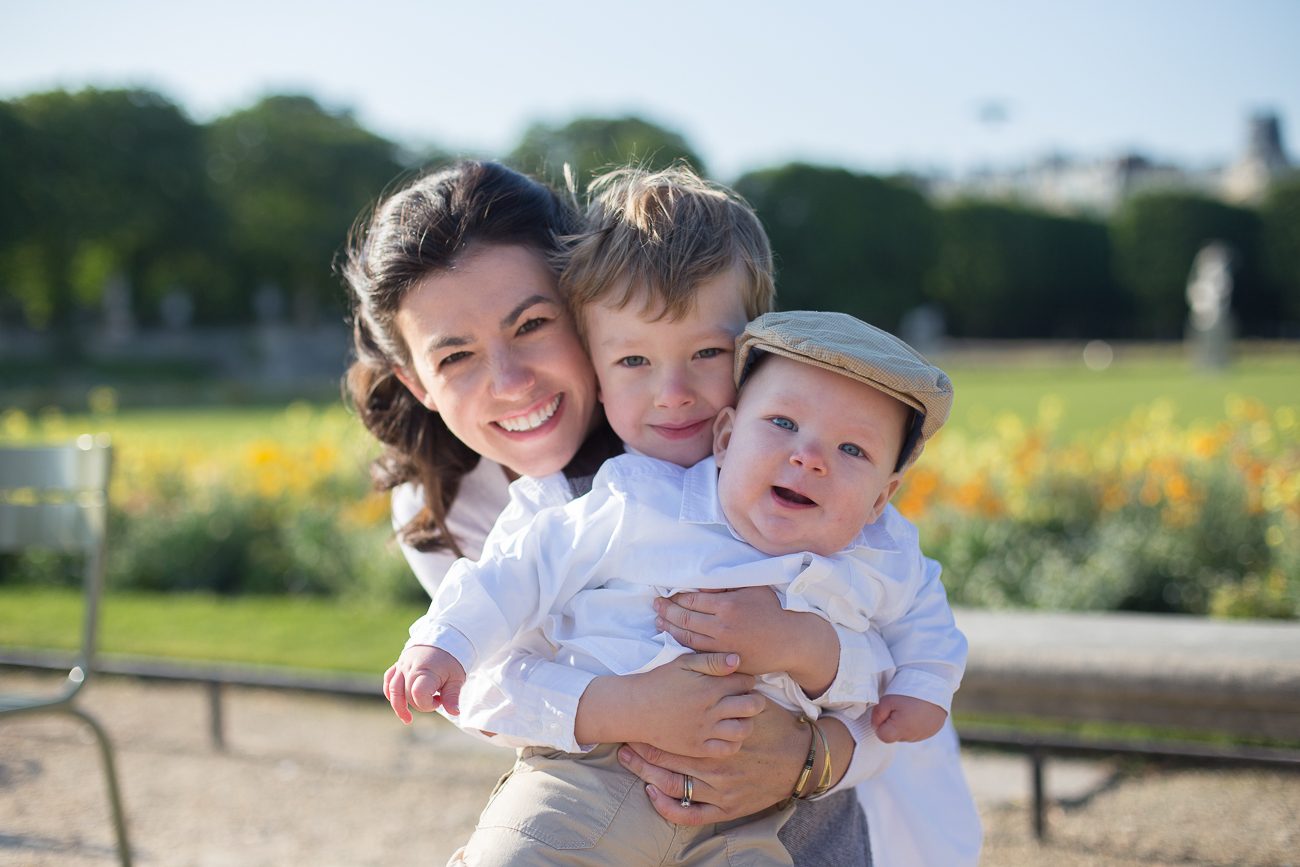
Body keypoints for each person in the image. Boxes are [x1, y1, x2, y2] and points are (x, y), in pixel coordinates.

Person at [345, 161, 890, 864]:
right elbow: (493, 680)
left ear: (588, 306)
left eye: (533, 323)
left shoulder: (758, 451)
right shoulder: (446, 507)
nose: (510, 383)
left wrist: (810, 752)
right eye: (457, 357)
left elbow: (899, 664)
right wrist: (626, 706)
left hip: (805, 792)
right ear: (417, 383)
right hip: (610, 793)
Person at [388, 307, 968, 866]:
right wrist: (447, 639)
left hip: (753, 814)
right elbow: (519, 569)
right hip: (596, 774)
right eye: (784, 424)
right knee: (524, 852)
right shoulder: (640, 501)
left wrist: (919, 685)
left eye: (852, 450)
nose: (809, 457)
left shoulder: (882, 557)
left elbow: (926, 627)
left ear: (879, 499)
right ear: (726, 437)